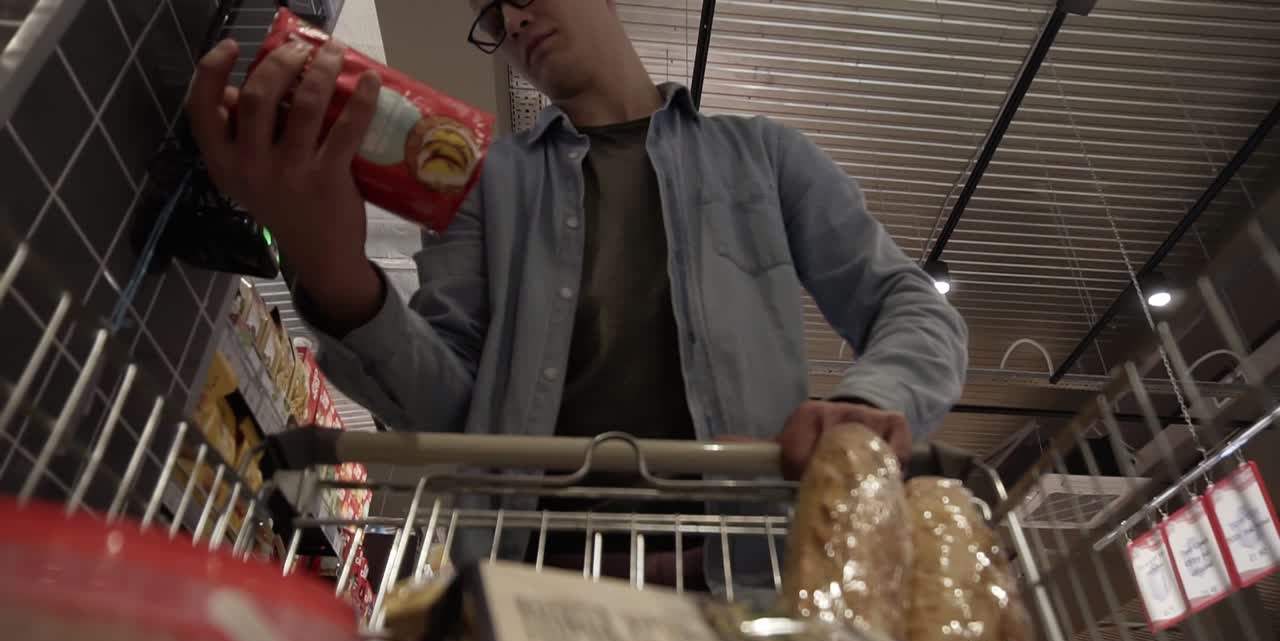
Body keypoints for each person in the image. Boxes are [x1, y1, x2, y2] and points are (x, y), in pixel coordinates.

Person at [184, 0, 968, 597]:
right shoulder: (486, 183)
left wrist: (869, 399)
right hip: (534, 584)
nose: (514, 18)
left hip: (748, 576)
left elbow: (911, 303)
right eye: (495, 15)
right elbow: (454, 411)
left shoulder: (763, 157)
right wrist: (334, 274)